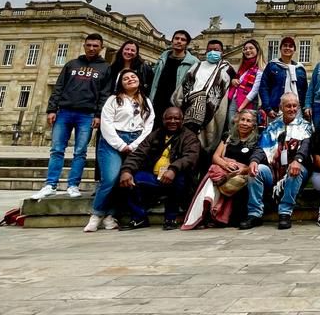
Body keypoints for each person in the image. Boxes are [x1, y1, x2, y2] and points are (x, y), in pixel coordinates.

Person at [33, 33, 109, 200]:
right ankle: (50, 185)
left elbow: (105, 94)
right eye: (89, 45)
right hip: (64, 111)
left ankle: (73, 185)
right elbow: (59, 87)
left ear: (101, 48)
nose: (91, 48)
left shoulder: (105, 68)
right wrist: (52, 109)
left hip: (87, 114)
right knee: (56, 150)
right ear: (84, 45)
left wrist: (98, 115)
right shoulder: (71, 64)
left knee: (80, 151)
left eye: (95, 46)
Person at [84, 70, 155, 231]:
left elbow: (148, 126)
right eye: (126, 78)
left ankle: (110, 215)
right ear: (120, 83)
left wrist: (135, 145)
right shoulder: (112, 100)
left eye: (133, 77)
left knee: (125, 180)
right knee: (110, 178)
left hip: (136, 141)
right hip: (112, 141)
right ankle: (96, 214)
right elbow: (106, 124)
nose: (130, 79)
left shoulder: (146, 101)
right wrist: (121, 145)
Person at [118, 106, 201, 230]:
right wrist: (126, 170)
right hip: (154, 177)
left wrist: (173, 169)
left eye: (176, 118)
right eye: (169, 118)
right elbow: (138, 153)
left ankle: (171, 218)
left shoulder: (189, 137)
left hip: (177, 178)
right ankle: (139, 218)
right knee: (132, 179)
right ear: (163, 120)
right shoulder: (155, 135)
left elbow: (190, 157)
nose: (173, 121)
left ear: (182, 120)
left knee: (179, 179)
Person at [240, 92, 314, 230]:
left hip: (297, 169)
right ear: (281, 107)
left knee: (294, 171)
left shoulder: (305, 126)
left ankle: (285, 213)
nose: (292, 109)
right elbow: (261, 148)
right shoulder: (273, 126)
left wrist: (298, 160)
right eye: (288, 106)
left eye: (294, 106)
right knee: (257, 170)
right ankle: (254, 214)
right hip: (274, 169)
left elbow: (306, 147)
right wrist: (254, 161)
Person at [182, 107, 260, 229]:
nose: (244, 123)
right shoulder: (228, 137)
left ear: (254, 125)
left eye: (248, 121)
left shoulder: (257, 140)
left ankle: (218, 217)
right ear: (237, 121)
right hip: (225, 171)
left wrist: (243, 170)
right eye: (242, 119)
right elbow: (216, 157)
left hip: (242, 175)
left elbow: (254, 163)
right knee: (212, 180)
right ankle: (204, 215)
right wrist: (226, 165)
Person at [172, 39, 236, 157]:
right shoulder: (197, 65)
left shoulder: (227, 68)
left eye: (216, 50)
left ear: (222, 52)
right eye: (210, 50)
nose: (213, 52)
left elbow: (229, 85)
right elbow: (185, 84)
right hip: (190, 107)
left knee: (207, 139)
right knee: (187, 138)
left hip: (213, 109)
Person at [150, 30, 198, 121]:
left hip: (176, 105)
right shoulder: (163, 57)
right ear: (172, 41)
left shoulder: (194, 62)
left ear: (187, 44)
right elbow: (153, 76)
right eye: (176, 38)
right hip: (157, 101)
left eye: (183, 40)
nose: (179, 41)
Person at [259, 36, 308, 120]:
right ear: (280, 48)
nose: (287, 48)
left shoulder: (300, 69)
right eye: (285, 45)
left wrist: (306, 107)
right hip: (276, 110)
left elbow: (305, 91)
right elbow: (264, 88)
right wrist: (267, 108)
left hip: (297, 111)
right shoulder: (272, 66)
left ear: (294, 50)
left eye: (290, 46)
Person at [227, 39, 263, 129]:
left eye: (251, 48)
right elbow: (236, 82)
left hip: (247, 103)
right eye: (245, 49)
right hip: (234, 100)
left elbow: (254, 91)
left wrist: (241, 108)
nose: (248, 50)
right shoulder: (242, 66)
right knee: (231, 127)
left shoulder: (260, 68)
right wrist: (233, 81)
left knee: (246, 128)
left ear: (257, 50)